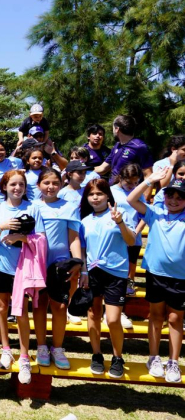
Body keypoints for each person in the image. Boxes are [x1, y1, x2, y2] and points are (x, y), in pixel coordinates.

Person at [0, 169, 46, 379]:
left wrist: (20, 237)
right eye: (13, 184)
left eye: (21, 184)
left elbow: (41, 240)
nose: (17, 188)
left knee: (21, 312)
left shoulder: (33, 208)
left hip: (23, 268)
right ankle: (5, 349)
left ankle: (24, 357)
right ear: (4, 187)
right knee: (2, 308)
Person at [127, 172, 185, 382]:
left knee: (175, 318)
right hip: (155, 274)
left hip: (181, 278)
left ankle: (173, 362)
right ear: (164, 196)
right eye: (171, 196)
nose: (174, 201)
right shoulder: (155, 213)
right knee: (156, 316)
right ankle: (153, 357)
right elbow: (131, 199)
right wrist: (149, 181)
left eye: (180, 197)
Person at [78, 178, 136, 378]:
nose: (95, 198)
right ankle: (96, 355)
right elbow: (82, 251)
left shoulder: (121, 214)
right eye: (91, 194)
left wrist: (119, 222)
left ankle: (118, 357)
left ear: (107, 196)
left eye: (100, 194)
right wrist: (83, 272)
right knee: (93, 315)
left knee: (112, 320)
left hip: (116, 273)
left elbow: (131, 240)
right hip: (92, 274)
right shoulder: (84, 221)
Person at [33, 168, 83, 370]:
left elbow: (74, 237)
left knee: (60, 307)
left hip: (60, 264)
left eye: (55, 183)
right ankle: (42, 346)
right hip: (37, 263)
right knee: (39, 304)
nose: (51, 187)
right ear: (39, 186)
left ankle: (58, 347)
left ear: (61, 185)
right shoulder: (33, 206)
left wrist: (78, 262)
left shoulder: (69, 207)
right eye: (46, 183)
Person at [110, 164, 146, 311]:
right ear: (120, 178)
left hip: (134, 236)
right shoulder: (111, 191)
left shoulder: (139, 193)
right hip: (116, 236)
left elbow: (144, 215)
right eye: (129, 182)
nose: (132, 186)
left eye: (136, 183)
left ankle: (126, 306)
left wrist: (136, 232)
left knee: (130, 268)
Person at [95, 114, 153, 182]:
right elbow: (102, 168)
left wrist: (147, 193)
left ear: (117, 129)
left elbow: (148, 174)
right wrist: (83, 169)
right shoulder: (117, 146)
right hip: (113, 189)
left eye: (113, 128)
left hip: (130, 190)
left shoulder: (139, 147)